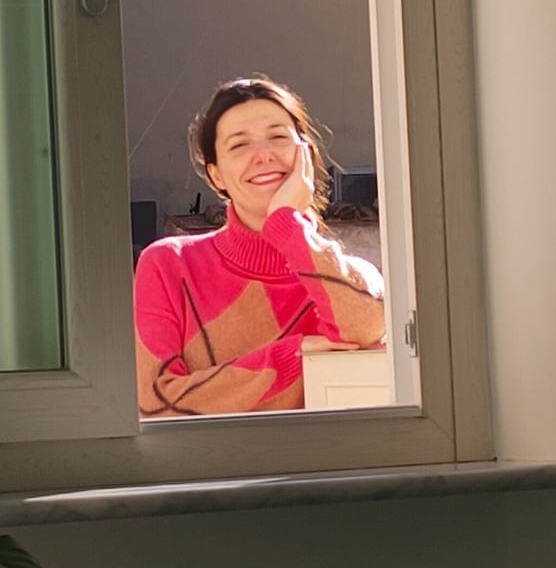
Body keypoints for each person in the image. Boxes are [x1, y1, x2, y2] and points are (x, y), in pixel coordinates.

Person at [134, 75, 386, 417]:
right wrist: (291, 358)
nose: (263, 155)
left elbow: (368, 326)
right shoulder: (168, 264)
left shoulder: (344, 276)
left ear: (307, 157)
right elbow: (156, 402)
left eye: (278, 137)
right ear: (216, 175)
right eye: (239, 145)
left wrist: (285, 224)